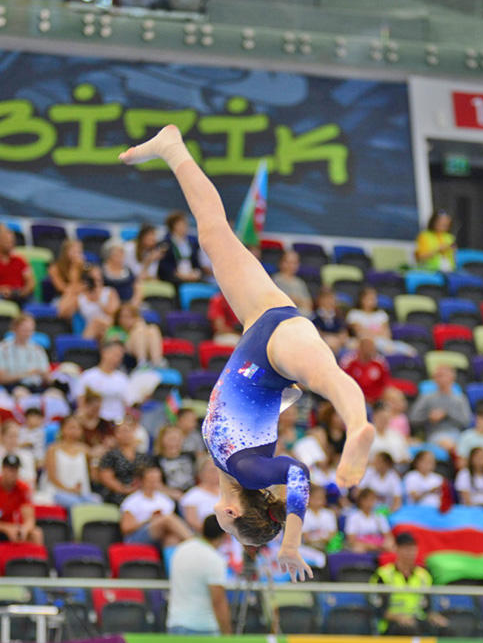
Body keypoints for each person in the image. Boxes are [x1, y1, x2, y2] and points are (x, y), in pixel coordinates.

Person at [120, 125, 374, 581]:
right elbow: (297, 474)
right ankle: (358, 427)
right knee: (332, 380)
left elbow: (254, 416)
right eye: (233, 531)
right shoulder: (247, 468)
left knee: (214, 236)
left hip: (261, 328)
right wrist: (291, 544)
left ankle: (173, 149)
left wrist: (288, 394)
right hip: (273, 351)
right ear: (234, 515)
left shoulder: (228, 463)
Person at [370, 532, 448, 635]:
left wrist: (434, 616)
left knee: (445, 629)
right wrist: (399, 617)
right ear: (397, 549)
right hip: (392, 623)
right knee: (408, 629)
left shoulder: (424, 575)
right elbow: (378, 608)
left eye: (412, 549)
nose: (410, 553)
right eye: (406, 549)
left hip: (417, 619)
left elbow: (428, 607)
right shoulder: (383, 575)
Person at [166, 513, 232, 635]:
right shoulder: (214, 559)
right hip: (202, 628)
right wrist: (227, 633)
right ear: (224, 535)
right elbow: (218, 601)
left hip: (175, 623)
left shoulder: (181, 549)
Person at [120, 464, 192, 546]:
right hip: (136, 537)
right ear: (142, 481)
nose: (154, 483)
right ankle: (193, 541)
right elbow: (126, 528)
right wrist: (149, 519)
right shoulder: (132, 501)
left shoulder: (165, 499)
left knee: (171, 537)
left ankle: (171, 558)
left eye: (157, 480)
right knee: (166, 519)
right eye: (150, 480)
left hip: (160, 535)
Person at [42, 416, 101, 511]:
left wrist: (96, 459)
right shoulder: (53, 449)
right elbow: (52, 477)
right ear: (62, 429)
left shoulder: (85, 450)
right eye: (71, 427)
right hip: (58, 491)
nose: (74, 431)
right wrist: (69, 490)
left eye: (77, 428)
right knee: (75, 504)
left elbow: (93, 475)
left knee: (97, 501)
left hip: (82, 493)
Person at [408, 365, 471, 450]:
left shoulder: (460, 399)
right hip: (434, 434)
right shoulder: (427, 397)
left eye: (442, 375)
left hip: (456, 434)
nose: (438, 379)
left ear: (452, 377)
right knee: (446, 444)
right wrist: (428, 417)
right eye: (436, 376)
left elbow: (466, 421)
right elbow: (413, 418)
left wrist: (447, 414)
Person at [75, 340, 130, 423]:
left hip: (117, 421)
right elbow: (81, 403)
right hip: (94, 421)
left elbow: (127, 405)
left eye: (120, 356)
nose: (117, 358)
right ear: (104, 352)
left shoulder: (123, 379)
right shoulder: (88, 376)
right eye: (114, 353)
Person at [97, 416, 148, 505]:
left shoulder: (141, 455)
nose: (126, 434)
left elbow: (149, 474)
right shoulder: (110, 455)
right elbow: (106, 477)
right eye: (122, 431)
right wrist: (123, 489)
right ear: (116, 435)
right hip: (118, 494)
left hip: (140, 492)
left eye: (128, 431)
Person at [0, 313, 50, 391]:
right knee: (20, 393)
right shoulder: (3, 349)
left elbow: (47, 377)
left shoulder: (38, 349)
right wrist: (27, 374)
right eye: (24, 330)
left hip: (36, 386)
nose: (28, 334)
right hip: (13, 387)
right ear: (15, 329)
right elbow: (2, 378)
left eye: (30, 330)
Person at [0, 455, 43, 544]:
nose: (13, 474)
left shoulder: (22, 488)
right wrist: (7, 528)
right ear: (3, 469)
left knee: (36, 534)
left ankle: (35, 558)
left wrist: (24, 530)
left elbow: (30, 518)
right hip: (3, 526)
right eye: (10, 470)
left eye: (16, 470)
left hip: (15, 527)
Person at [106, 303, 164, 369]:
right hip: (126, 352)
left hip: (145, 349)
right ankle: (142, 362)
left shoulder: (139, 328)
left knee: (153, 329)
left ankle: (157, 361)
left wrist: (139, 324)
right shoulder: (115, 329)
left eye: (129, 317)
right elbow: (109, 343)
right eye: (122, 317)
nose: (125, 320)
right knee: (139, 330)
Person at [153, 424, 197, 502]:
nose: (174, 441)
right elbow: (155, 484)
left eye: (177, 438)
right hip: (168, 497)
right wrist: (171, 493)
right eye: (170, 438)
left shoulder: (190, 456)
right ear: (161, 440)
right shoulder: (155, 460)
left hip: (192, 494)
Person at [158, 210, 203, 285]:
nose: (185, 226)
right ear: (174, 226)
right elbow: (164, 265)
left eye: (186, 224)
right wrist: (178, 274)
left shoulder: (192, 241)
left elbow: (196, 261)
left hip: (191, 274)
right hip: (174, 276)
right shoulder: (166, 243)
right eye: (182, 224)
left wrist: (196, 272)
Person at [340, 336, 390, 404]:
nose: (370, 350)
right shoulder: (348, 362)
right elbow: (343, 383)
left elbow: (384, 384)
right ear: (360, 347)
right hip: (352, 398)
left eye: (372, 347)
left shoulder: (380, 363)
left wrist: (375, 398)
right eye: (367, 346)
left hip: (374, 400)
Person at [48, 238, 90, 319]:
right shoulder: (55, 268)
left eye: (79, 252)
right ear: (65, 252)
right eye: (73, 251)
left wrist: (79, 268)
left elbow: (88, 287)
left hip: (80, 297)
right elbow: (63, 289)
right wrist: (74, 270)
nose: (76, 255)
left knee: (77, 299)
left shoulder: (85, 267)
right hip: (60, 298)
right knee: (74, 299)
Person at [344, 487, 393, 552]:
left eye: (372, 500)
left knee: (390, 544)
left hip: (378, 543)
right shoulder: (353, 517)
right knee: (358, 548)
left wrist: (386, 543)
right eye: (367, 500)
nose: (370, 503)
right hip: (362, 544)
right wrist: (370, 546)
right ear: (361, 501)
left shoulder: (379, 517)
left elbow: (388, 536)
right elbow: (351, 539)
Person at [77, 267, 120, 341]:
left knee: (98, 323)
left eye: (98, 278)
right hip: (90, 329)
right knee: (96, 324)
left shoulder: (109, 292)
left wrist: (98, 301)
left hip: (110, 325)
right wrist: (74, 288)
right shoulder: (81, 295)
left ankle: (84, 347)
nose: (96, 282)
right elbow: (64, 312)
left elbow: (115, 314)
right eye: (93, 279)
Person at [455, 447, 483, 513]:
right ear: (471, 459)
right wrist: (476, 510)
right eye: (478, 457)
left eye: (482, 457)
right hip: (470, 510)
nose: (480, 459)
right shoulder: (464, 474)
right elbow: (465, 498)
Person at [181, 456, 220, 532]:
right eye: (212, 470)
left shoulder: (228, 493)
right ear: (201, 473)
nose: (216, 474)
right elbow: (192, 522)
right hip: (206, 535)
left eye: (218, 470)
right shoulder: (192, 496)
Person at [271, 250, 313, 317]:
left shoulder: (300, 282)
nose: (291, 265)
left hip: (303, 318)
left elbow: (309, 304)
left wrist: (297, 301)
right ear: (281, 263)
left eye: (294, 263)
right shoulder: (275, 280)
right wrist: (299, 301)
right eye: (288, 262)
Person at [0, 223, 34, 303]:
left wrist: (23, 292)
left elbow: (31, 282)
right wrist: (2, 289)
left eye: (12, 242)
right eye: (6, 241)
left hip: (19, 295)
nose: (10, 244)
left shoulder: (20, 259)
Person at [369, 401, 409, 465]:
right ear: (374, 416)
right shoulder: (367, 435)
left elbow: (406, 457)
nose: (384, 420)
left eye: (386, 418)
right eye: (381, 417)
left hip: (394, 471)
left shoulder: (397, 435)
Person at [0, 419, 36, 490]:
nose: (13, 439)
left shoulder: (27, 456)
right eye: (10, 436)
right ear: (2, 436)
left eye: (16, 436)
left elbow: (31, 479)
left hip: (21, 492)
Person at [312, 286, 347, 355]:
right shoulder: (315, 317)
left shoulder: (338, 316)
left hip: (338, 343)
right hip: (322, 344)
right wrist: (331, 338)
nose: (329, 301)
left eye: (331, 298)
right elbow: (317, 334)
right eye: (326, 298)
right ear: (320, 300)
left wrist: (338, 339)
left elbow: (343, 334)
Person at [101, 238, 139, 303]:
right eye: (119, 252)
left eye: (122, 252)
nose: (122, 255)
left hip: (128, 305)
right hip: (108, 305)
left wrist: (134, 303)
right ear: (109, 255)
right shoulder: (101, 271)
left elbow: (137, 288)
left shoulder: (128, 270)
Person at [302, 484, 338, 550]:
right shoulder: (304, 514)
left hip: (327, 544)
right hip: (309, 546)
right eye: (315, 498)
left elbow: (333, 533)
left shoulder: (329, 514)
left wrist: (324, 540)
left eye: (321, 498)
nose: (318, 501)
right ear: (308, 498)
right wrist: (317, 541)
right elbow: (305, 536)